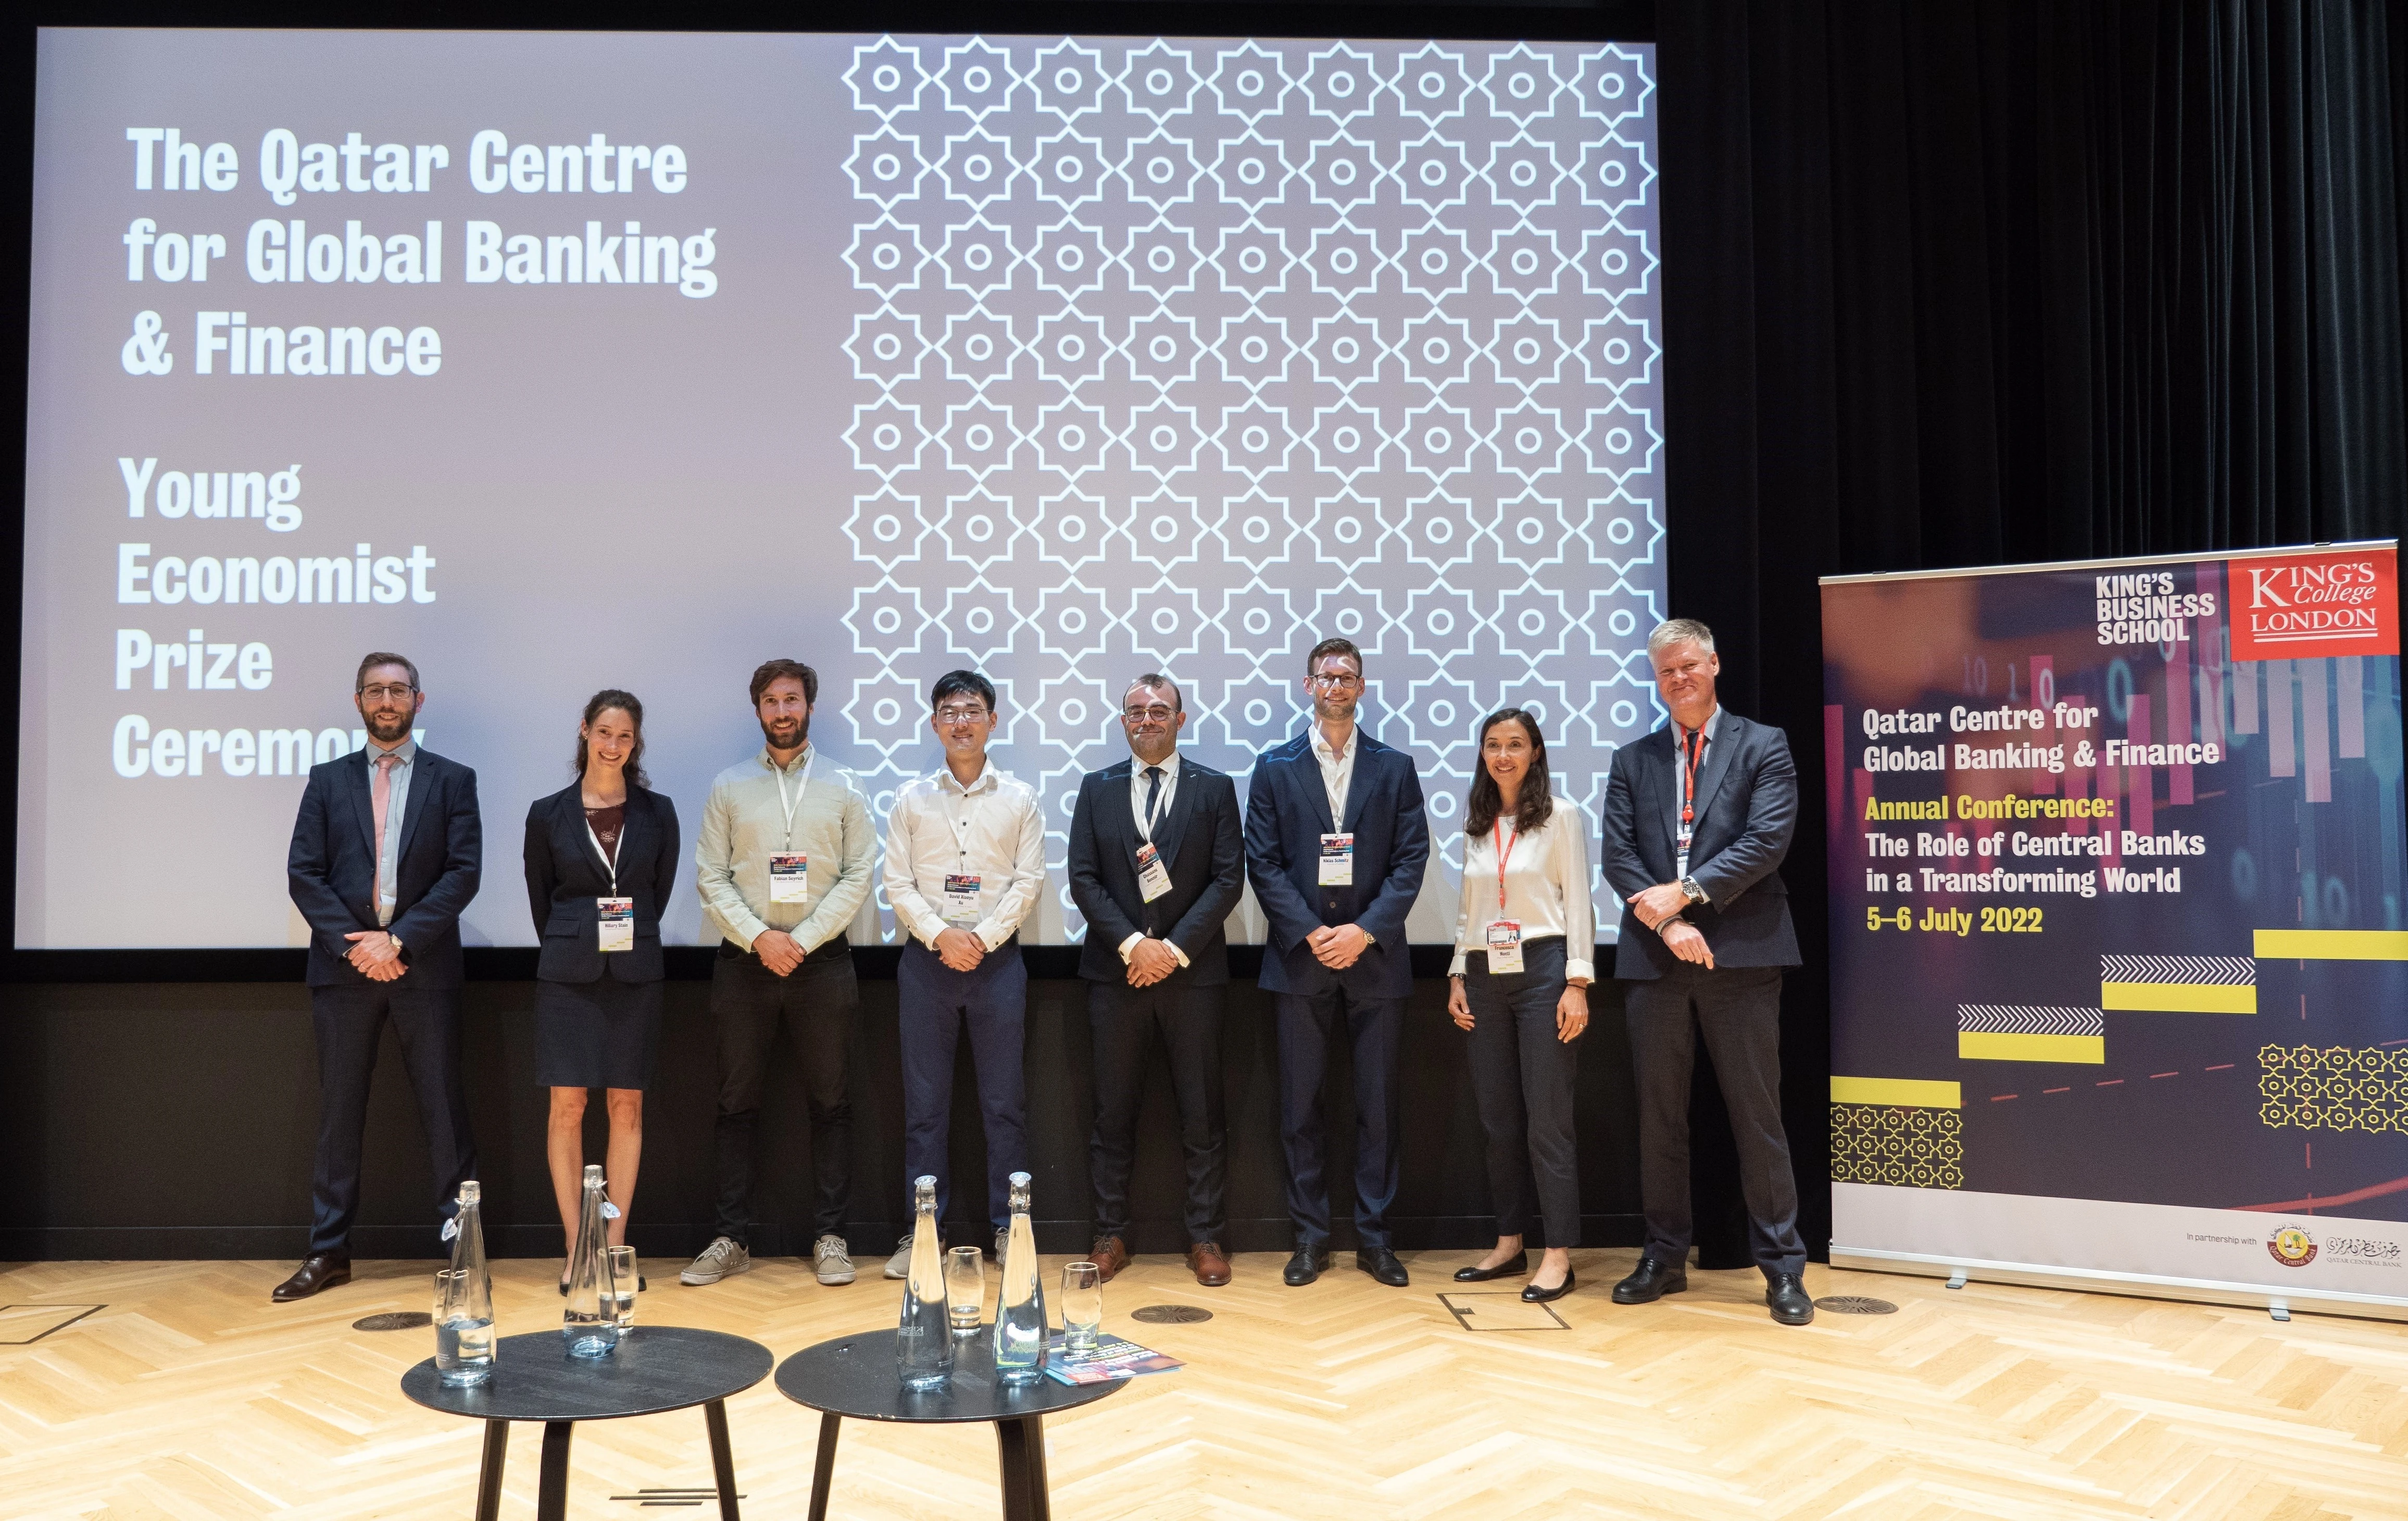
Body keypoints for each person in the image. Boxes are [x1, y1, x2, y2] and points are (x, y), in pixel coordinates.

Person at [1601, 618, 1813, 1326]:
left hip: (1743, 955)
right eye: (1666, 671)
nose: (1679, 679)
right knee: (1660, 1119)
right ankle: (1664, 1257)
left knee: (1758, 1119)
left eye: (1689, 665)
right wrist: (1668, 921)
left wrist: (1689, 893)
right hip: (1658, 959)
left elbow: (1767, 841)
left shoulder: (1764, 745)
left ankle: (1783, 1268)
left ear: (1715, 664)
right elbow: (1619, 856)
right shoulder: (1632, 760)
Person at [275, 653, 482, 1302]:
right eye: (376, 690)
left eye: (399, 690)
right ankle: (329, 1252)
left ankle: (461, 1252)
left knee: (445, 1112)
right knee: (339, 1115)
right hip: (345, 972)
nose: (387, 700)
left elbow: (463, 873)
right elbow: (303, 872)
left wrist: (400, 940)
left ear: (419, 701)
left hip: (423, 966)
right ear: (358, 700)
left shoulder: (453, 779)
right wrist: (356, 946)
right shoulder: (327, 780)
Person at [683, 660, 877, 1288]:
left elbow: (857, 875)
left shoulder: (845, 785)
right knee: (735, 1106)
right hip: (745, 963)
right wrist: (762, 938)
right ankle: (731, 1237)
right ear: (759, 711)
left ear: (810, 708)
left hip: (823, 964)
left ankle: (831, 1236)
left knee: (832, 1105)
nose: (782, 710)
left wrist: (801, 940)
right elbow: (711, 876)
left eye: (792, 699)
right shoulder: (729, 786)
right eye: (771, 701)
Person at [1244, 635, 1429, 1288]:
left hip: (1375, 960)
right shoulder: (1273, 766)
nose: (1336, 685)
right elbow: (1261, 861)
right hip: (1300, 961)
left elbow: (1411, 861)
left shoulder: (1395, 766)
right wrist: (1312, 932)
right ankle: (1310, 1238)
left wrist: (1364, 931)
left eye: (1347, 675)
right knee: (1301, 1108)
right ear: (1307, 685)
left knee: (1378, 1108)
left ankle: (1376, 1240)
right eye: (1326, 676)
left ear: (1361, 686)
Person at [1066, 674, 1246, 1287]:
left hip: (1193, 978)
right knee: (1112, 1115)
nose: (1148, 719)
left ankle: (1204, 1236)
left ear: (1181, 717)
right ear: (1123, 722)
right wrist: (1133, 945)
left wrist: (1169, 949)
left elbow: (1227, 879)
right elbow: (1083, 877)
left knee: (1202, 1116)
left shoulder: (1216, 789)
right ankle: (1110, 1234)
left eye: (1159, 710)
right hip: (1114, 977)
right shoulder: (1097, 788)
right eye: (1136, 711)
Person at [882, 669, 1045, 1276]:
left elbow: (1028, 881)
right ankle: (924, 1230)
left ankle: (1010, 1227)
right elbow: (897, 882)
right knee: (925, 1107)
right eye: (949, 711)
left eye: (972, 710)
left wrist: (978, 939)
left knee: (1005, 1105)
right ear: (934, 723)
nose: (961, 721)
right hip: (926, 965)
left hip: (997, 964)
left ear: (993, 721)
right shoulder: (910, 799)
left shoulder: (1020, 798)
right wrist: (941, 936)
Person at [524, 690, 680, 1292]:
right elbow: (544, 898)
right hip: (568, 976)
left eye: (625, 737)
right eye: (604, 733)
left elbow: (657, 893)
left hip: (635, 973)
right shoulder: (547, 812)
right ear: (585, 731)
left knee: (626, 1106)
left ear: (635, 743)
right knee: (568, 1107)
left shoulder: (657, 810)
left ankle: (614, 1247)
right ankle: (576, 1246)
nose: (613, 745)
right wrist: (578, 938)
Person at [1446, 709, 1597, 1304]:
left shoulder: (1562, 817)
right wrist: (1458, 972)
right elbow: (1467, 909)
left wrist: (1577, 983)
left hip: (1543, 971)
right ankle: (1511, 1243)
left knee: (1547, 1121)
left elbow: (1579, 902)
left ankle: (1558, 1253)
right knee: (1498, 1119)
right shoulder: (1479, 820)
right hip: (1484, 974)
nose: (1502, 755)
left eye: (1514, 744)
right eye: (1492, 745)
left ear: (1535, 751)